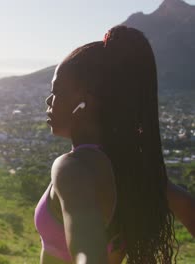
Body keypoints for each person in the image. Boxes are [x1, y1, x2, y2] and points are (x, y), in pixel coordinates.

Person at [35, 25, 194, 264]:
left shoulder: (71, 169)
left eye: (56, 90)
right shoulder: (135, 171)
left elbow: (88, 250)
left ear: (83, 101)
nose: (49, 100)